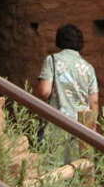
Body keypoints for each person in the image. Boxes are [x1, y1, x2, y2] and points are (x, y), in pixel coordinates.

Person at [36, 24, 99, 164]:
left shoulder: (52, 60)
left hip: (57, 123)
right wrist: (93, 126)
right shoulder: (88, 68)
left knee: (54, 171)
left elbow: (44, 91)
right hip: (81, 127)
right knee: (79, 167)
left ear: (59, 40)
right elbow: (93, 101)